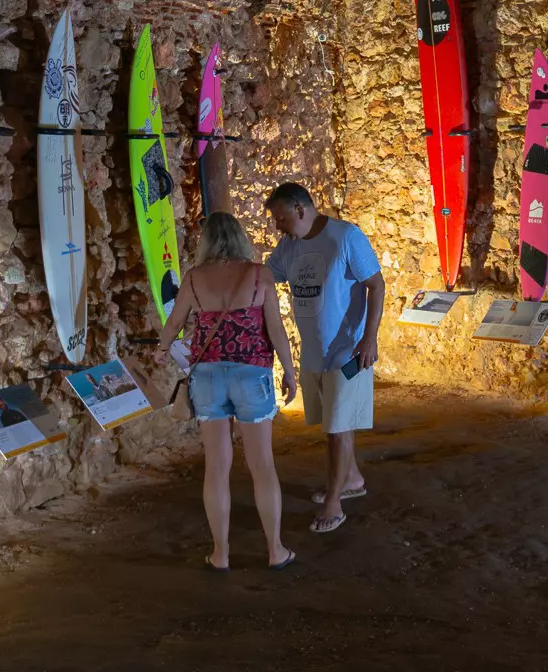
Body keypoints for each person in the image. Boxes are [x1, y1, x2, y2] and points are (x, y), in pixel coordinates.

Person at [157, 211, 300, 572]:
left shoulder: (193, 279)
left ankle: (220, 553)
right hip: (251, 374)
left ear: (207, 240)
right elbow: (276, 330)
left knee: (216, 467)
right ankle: (275, 550)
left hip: (206, 376)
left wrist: (161, 351)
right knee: (262, 465)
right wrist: (289, 372)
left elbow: (173, 325)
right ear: (239, 237)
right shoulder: (259, 275)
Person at [264, 182, 385, 533]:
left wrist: (369, 337)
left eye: (281, 218)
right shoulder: (289, 247)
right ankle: (351, 479)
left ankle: (334, 503)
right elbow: (265, 278)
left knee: (338, 427)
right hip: (315, 353)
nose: (278, 226)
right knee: (334, 423)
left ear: (301, 209)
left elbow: (376, 285)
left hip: (347, 351)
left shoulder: (346, 237)